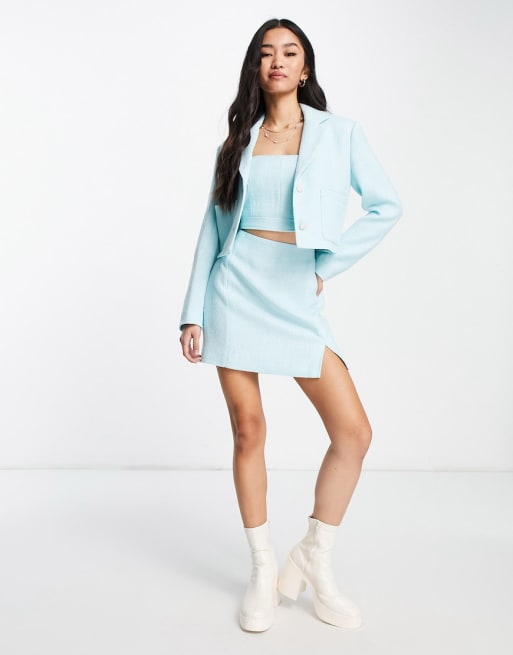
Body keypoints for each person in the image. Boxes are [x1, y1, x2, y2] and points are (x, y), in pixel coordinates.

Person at [179, 18, 402, 632]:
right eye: (266, 53)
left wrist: (325, 265)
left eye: (290, 51)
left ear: (305, 68)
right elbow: (211, 229)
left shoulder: (339, 134)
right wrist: (192, 311)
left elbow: (386, 206)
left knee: (353, 433)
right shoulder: (237, 143)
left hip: (294, 292)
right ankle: (261, 568)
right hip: (235, 290)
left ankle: (314, 555)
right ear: (256, 68)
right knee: (248, 429)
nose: (277, 60)